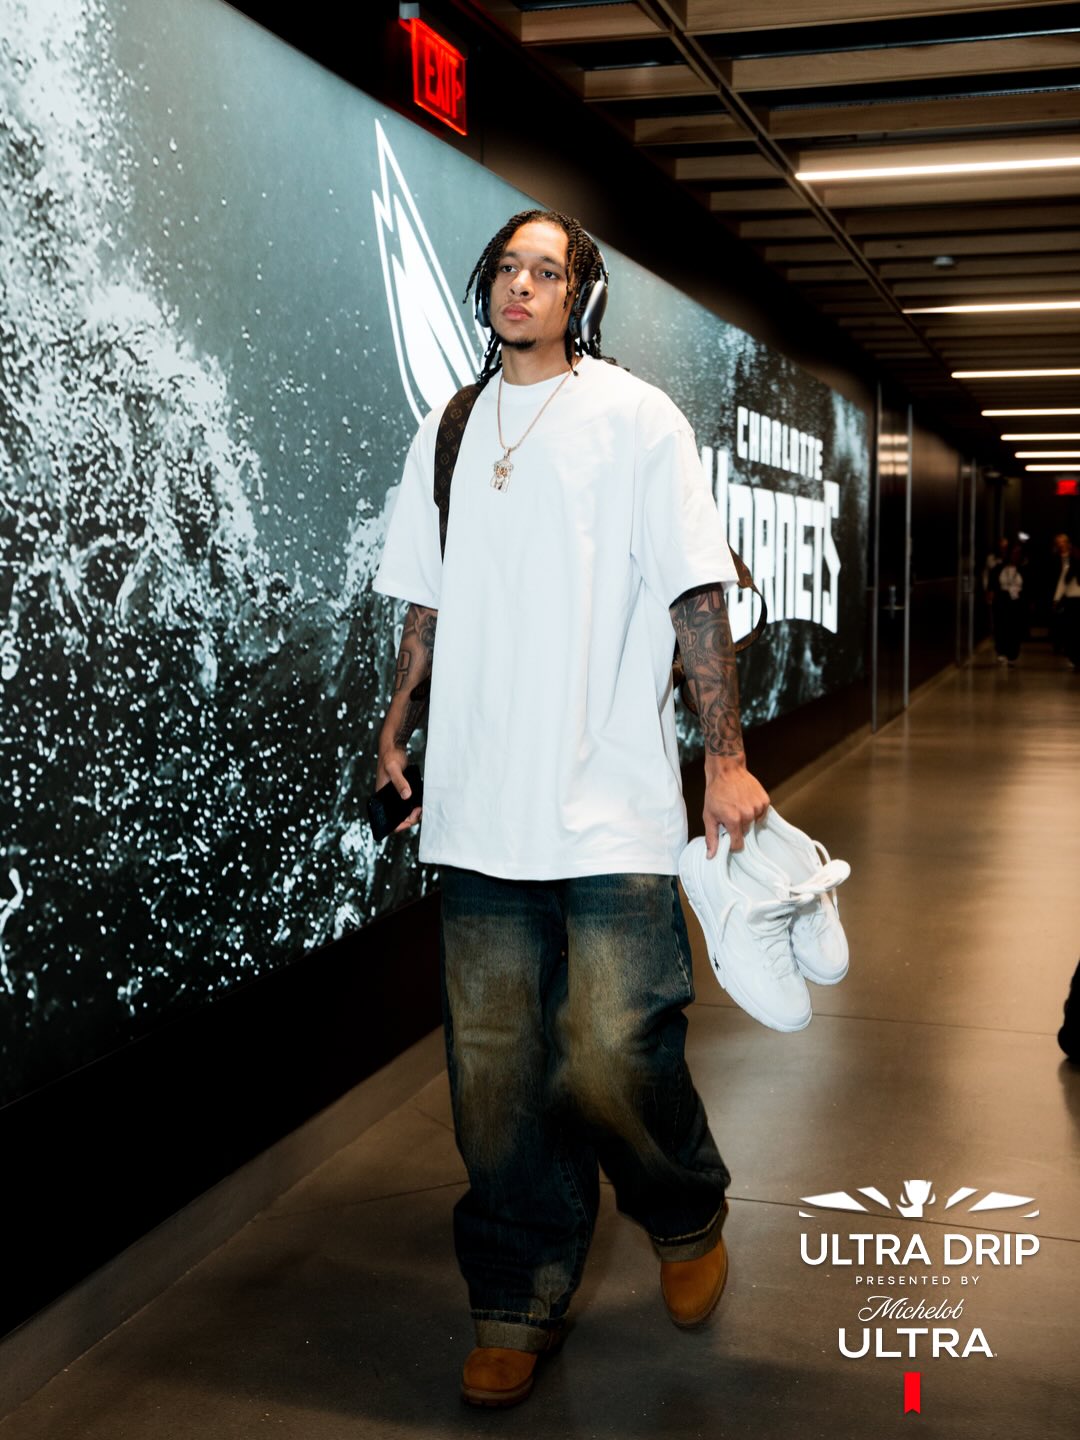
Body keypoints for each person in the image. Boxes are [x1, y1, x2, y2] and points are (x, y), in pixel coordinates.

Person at [372, 210, 769, 1407]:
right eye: (507, 268)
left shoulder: (637, 419)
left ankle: (682, 1208)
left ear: (579, 296)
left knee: (609, 1052)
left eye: (546, 271)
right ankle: (516, 1298)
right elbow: (426, 601)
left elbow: (697, 591)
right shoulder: (449, 428)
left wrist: (724, 758)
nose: (521, 286)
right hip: (479, 810)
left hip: (612, 803)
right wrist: (395, 725)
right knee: (496, 1084)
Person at [1052, 533, 1080, 672]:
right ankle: (1074, 657)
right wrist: (1056, 599)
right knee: (1072, 630)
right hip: (1071, 600)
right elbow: (1062, 583)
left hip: (1077, 600)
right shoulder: (1069, 568)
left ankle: (1076, 657)